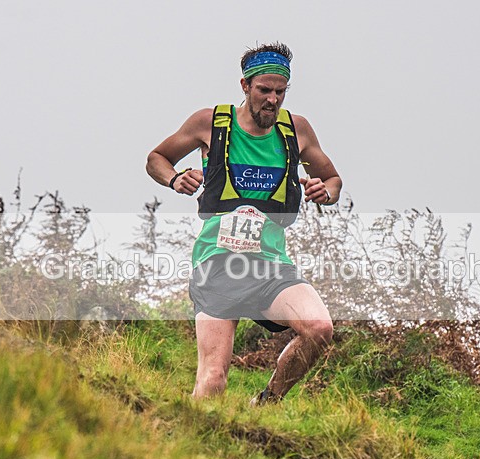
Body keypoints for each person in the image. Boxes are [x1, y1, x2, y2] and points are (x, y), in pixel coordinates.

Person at [146, 42, 342, 403]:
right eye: (264, 90)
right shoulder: (211, 123)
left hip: (271, 265)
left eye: (280, 92)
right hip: (218, 265)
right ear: (245, 86)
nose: (272, 100)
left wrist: (324, 191)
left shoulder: (296, 131)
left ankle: (267, 401)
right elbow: (156, 157)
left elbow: (333, 180)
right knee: (214, 380)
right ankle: (190, 450)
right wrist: (175, 179)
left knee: (318, 328)